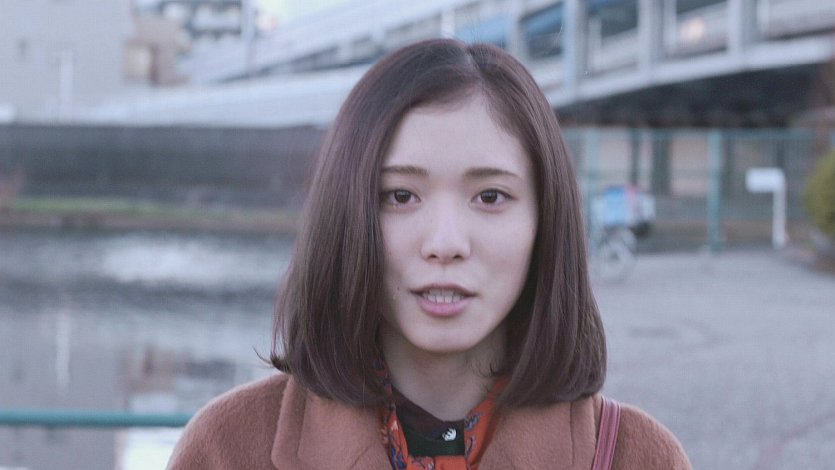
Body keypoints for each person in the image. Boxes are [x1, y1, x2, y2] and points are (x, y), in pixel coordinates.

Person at [167, 39, 691, 470]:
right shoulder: (228, 448)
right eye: (401, 196)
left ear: (545, 222)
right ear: (345, 214)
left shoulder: (635, 456)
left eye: (490, 197)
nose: (445, 243)